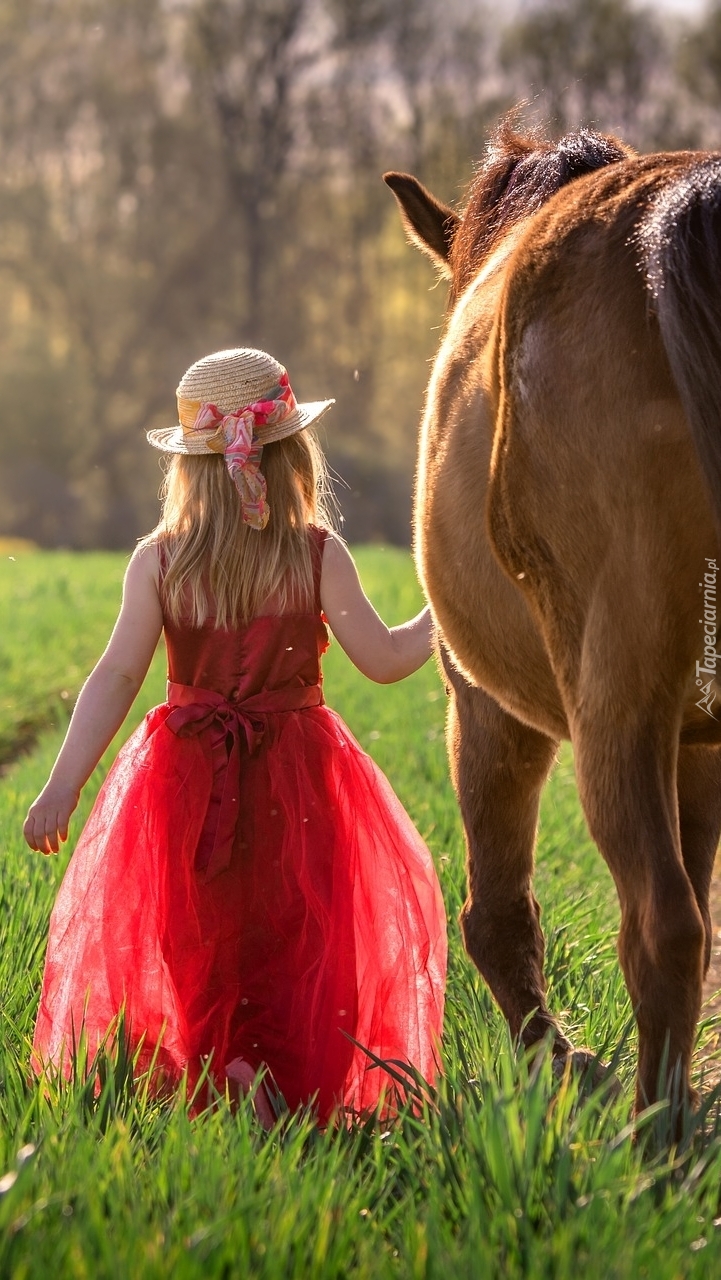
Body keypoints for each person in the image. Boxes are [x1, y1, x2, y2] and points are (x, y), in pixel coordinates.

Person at [24, 347, 447, 1125]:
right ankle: (285, 1084)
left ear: (187, 467)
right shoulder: (316, 552)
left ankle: (226, 1074)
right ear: (291, 454)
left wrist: (64, 785)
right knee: (299, 934)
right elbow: (386, 659)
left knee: (201, 935)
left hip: (186, 777)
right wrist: (448, 607)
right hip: (300, 775)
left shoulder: (160, 561)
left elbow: (115, 677)